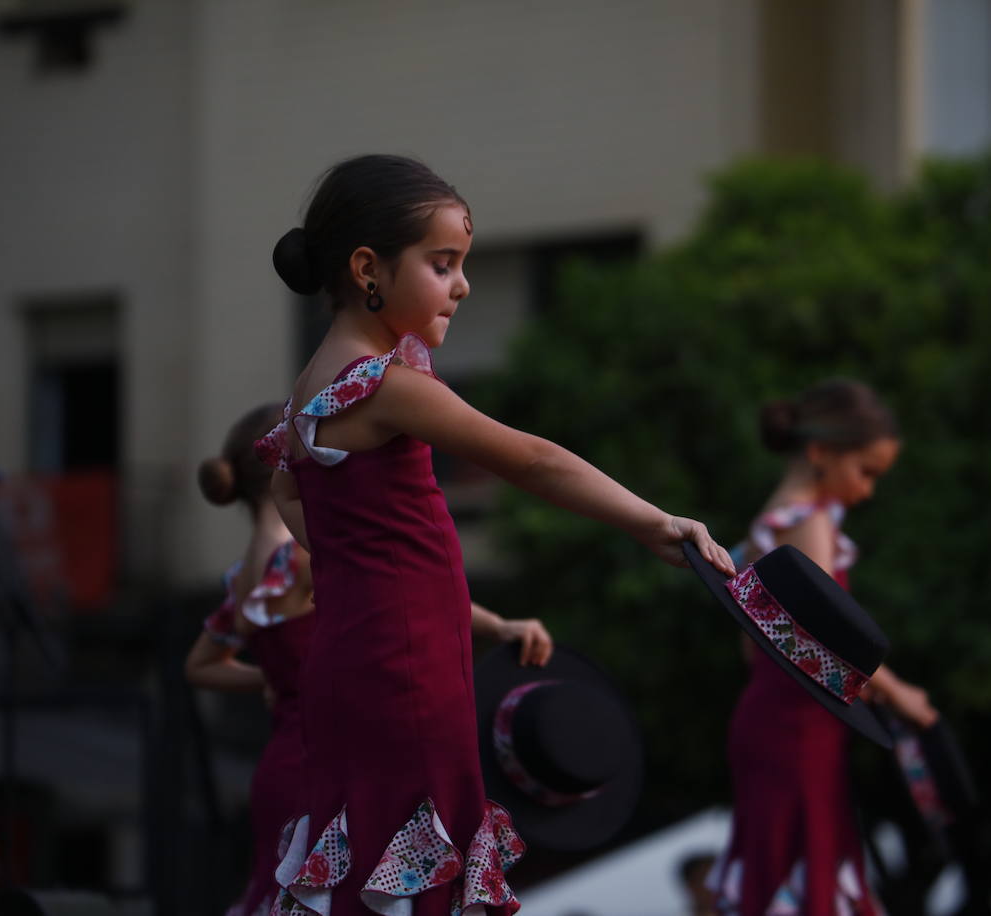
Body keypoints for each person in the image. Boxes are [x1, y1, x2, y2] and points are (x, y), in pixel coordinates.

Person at [254, 153, 733, 915]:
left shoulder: (312, 391)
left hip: (352, 660)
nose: (464, 286)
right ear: (368, 267)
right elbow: (536, 462)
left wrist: (361, 563)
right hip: (407, 666)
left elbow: (286, 489)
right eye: (443, 265)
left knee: (365, 850)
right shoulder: (389, 387)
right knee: (419, 851)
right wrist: (654, 520)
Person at [185, 401, 555, 916]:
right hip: (334, 757)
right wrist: (501, 626)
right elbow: (402, 585)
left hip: (284, 759)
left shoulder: (244, 574)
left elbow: (199, 666)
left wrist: (272, 679)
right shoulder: (300, 556)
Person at [712, 379, 938, 916]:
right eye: (866, 472)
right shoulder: (807, 523)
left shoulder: (768, 524)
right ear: (819, 453)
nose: (867, 490)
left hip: (779, 723)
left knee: (786, 867)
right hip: (796, 729)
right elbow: (826, 641)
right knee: (808, 869)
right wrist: (900, 692)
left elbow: (756, 649)